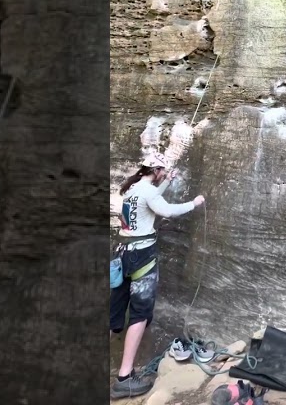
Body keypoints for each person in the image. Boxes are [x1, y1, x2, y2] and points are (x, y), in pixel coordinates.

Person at [110, 118, 209, 399]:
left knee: (113, 316)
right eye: (162, 171)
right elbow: (165, 211)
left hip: (119, 256)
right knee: (140, 315)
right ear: (155, 170)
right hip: (141, 259)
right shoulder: (148, 191)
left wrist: (164, 183)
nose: (163, 173)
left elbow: (149, 204)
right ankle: (124, 378)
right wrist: (195, 202)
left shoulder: (130, 191)